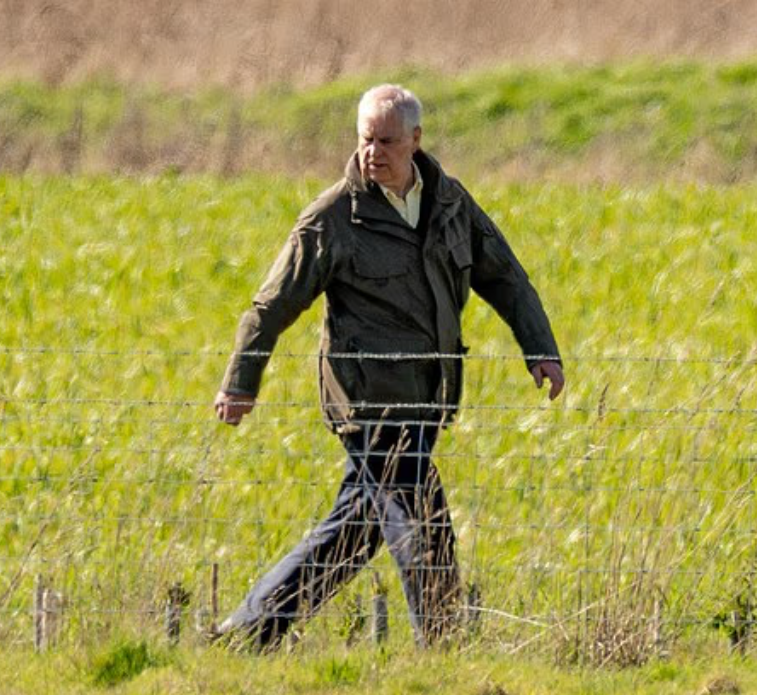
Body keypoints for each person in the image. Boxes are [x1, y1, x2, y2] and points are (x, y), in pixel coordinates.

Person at [213, 84, 564, 650]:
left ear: (416, 140)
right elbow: (270, 307)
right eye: (366, 139)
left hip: (428, 397)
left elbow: (504, 276)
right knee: (425, 528)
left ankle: (248, 633)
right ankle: (443, 652)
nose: (374, 151)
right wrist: (240, 383)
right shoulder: (332, 218)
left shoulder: (449, 201)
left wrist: (540, 348)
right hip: (368, 403)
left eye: (387, 140)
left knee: (353, 531)